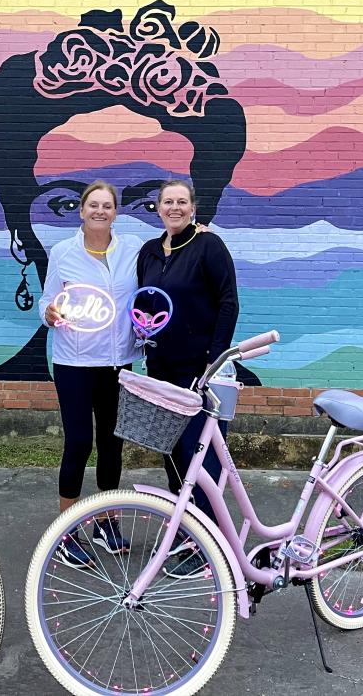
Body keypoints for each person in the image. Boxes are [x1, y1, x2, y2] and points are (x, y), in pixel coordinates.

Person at [0, 0, 252, 382]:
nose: (109, 220)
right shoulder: (6, 380)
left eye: (146, 203)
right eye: (68, 202)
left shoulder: (199, 259)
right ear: (19, 227)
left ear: (191, 214)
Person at [137, 178, 240, 579]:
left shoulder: (209, 246)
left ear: (193, 207)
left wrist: (214, 359)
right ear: (158, 208)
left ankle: (206, 543)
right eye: (167, 202)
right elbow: (142, 302)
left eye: (182, 202)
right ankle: (184, 528)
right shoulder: (149, 251)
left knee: (203, 455)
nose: (174, 208)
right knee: (173, 453)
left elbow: (229, 302)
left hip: (200, 370)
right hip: (160, 366)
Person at [38, 181, 141, 566]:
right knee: (80, 442)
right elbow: (48, 301)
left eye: (107, 206)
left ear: (116, 212)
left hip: (118, 362)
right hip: (74, 364)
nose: (100, 211)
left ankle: (106, 522)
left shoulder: (132, 248)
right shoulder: (63, 252)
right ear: (81, 211)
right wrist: (48, 313)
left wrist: (200, 231)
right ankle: (66, 533)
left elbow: (168, 250)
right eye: (93, 205)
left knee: (112, 444)